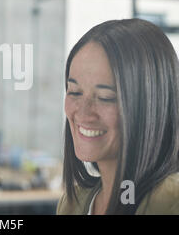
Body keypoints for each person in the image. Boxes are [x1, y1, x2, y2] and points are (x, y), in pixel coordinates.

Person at [57, 19, 179, 215]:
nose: (83, 112)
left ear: (149, 105)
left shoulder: (172, 203)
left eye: (106, 98)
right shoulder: (73, 203)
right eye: (74, 92)